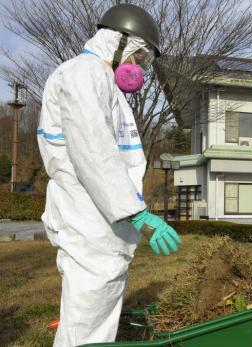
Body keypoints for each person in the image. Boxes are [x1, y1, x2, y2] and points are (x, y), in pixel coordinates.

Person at [37, 4, 181, 346]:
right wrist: (138, 214)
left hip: (103, 221)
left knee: (96, 314)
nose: (139, 68)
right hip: (88, 219)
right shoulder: (83, 75)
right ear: (119, 42)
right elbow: (94, 153)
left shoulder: (103, 82)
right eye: (139, 56)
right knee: (87, 321)